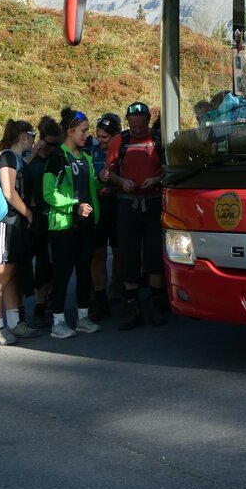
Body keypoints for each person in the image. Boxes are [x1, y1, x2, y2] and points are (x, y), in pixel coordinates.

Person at [107, 101, 167, 330]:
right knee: (128, 254)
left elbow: (168, 169)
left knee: (154, 252)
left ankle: (155, 301)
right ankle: (131, 304)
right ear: (128, 123)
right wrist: (122, 181)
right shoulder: (119, 141)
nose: (138, 131)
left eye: (142, 127)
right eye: (134, 127)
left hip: (153, 203)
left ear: (148, 122)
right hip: (127, 204)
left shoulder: (158, 140)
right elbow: (110, 172)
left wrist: (158, 179)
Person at [43, 108, 102, 339]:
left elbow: (88, 187)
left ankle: (82, 317)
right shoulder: (56, 159)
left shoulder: (85, 156)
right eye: (83, 131)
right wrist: (74, 206)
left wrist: (100, 181)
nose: (87, 135)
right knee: (63, 273)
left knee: (84, 272)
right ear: (70, 131)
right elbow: (49, 193)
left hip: (86, 224)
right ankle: (57, 322)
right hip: (64, 226)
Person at [0, 119, 42, 346]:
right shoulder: (8, 157)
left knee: (11, 276)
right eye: (33, 136)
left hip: (15, 225)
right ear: (24, 136)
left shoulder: (18, 159)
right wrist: (29, 213)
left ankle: (14, 323)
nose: (34, 140)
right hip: (5, 224)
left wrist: (34, 155)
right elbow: (9, 192)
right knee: (0, 276)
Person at [23, 115, 62, 327]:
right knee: (40, 263)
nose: (53, 148)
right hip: (36, 215)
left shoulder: (58, 158)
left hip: (55, 215)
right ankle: (38, 304)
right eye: (50, 144)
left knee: (54, 263)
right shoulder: (33, 159)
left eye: (57, 144)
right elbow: (19, 177)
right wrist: (35, 153)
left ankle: (50, 301)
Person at [88, 112, 122, 320]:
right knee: (97, 253)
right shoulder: (91, 152)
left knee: (119, 253)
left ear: (115, 136)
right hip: (98, 209)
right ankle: (98, 294)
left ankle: (116, 287)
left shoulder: (123, 151)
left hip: (117, 207)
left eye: (104, 138)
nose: (100, 141)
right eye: (98, 136)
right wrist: (98, 179)